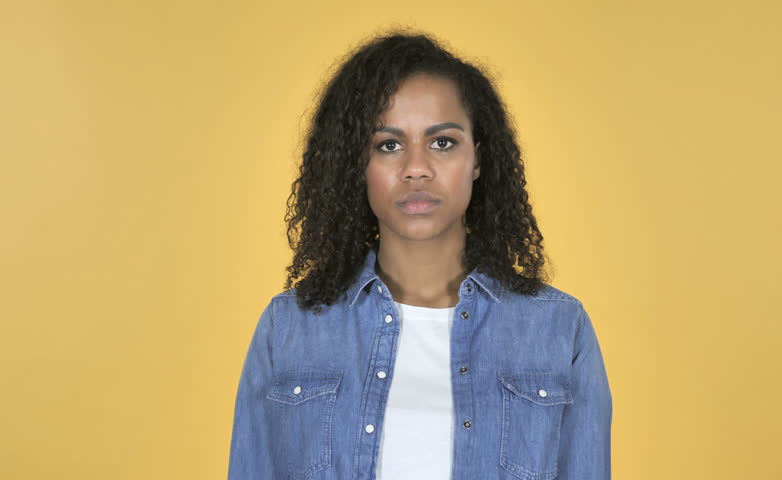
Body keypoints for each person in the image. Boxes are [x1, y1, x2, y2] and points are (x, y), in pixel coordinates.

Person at [227, 29, 612, 480]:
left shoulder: (560, 330)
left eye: (442, 142)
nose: (416, 168)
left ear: (478, 160)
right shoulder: (288, 327)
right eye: (388, 145)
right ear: (358, 165)